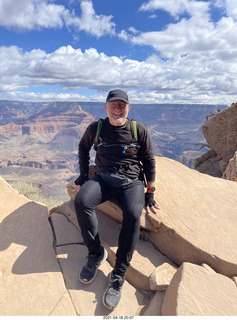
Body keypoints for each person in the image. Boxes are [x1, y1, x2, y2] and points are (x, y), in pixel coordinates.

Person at [74, 89, 160, 310]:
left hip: (131, 183)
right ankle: (96, 253)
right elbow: (83, 147)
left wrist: (150, 193)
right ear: (106, 107)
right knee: (82, 201)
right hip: (103, 178)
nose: (118, 109)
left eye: (122, 105)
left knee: (133, 214)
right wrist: (84, 174)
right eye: (114, 105)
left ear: (128, 108)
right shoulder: (97, 128)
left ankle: (119, 272)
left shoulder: (138, 129)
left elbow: (149, 160)